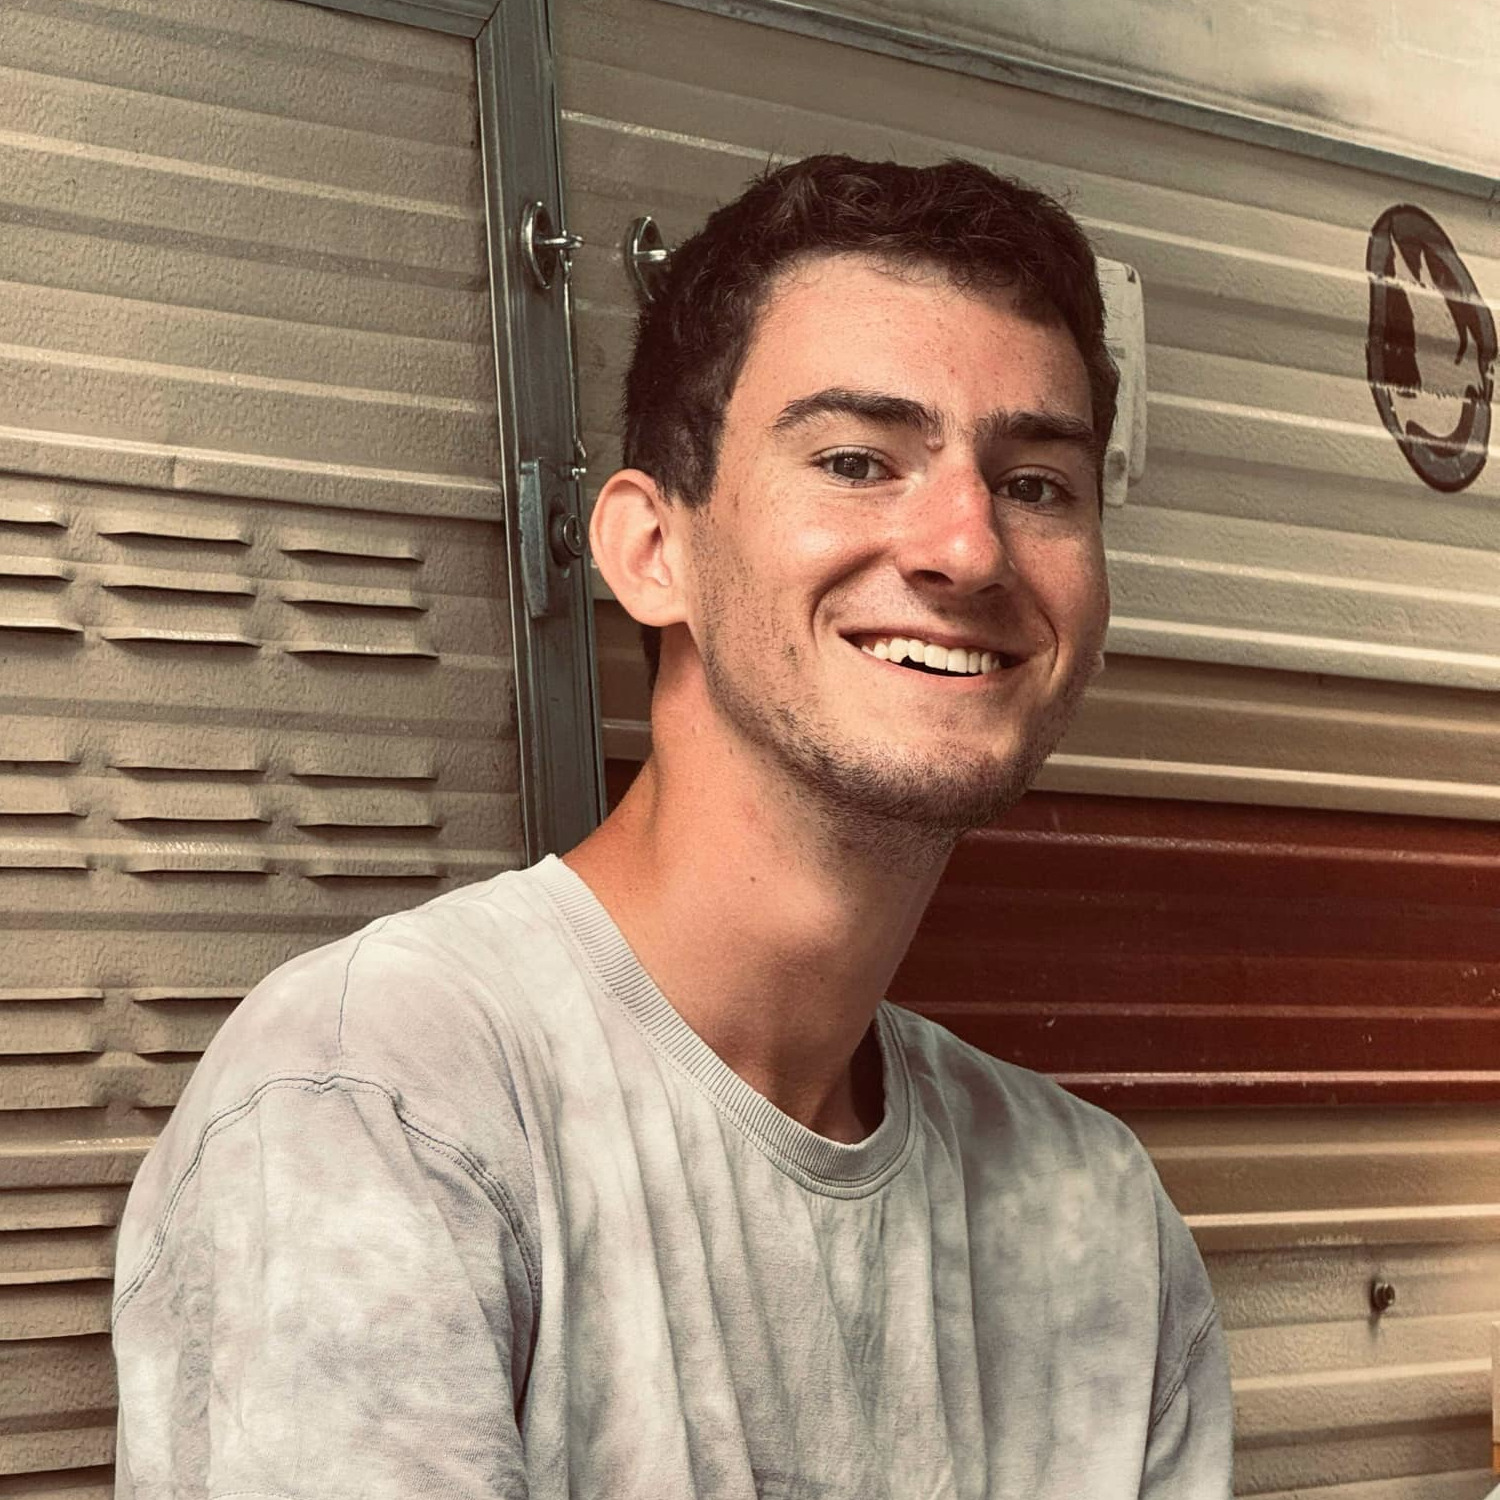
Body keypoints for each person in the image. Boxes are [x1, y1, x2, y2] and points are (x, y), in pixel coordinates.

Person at [112, 155, 1233, 1499]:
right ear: (653, 551)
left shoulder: (1098, 1217)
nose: (969, 547)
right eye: (857, 461)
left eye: (1038, 483)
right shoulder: (381, 1096)